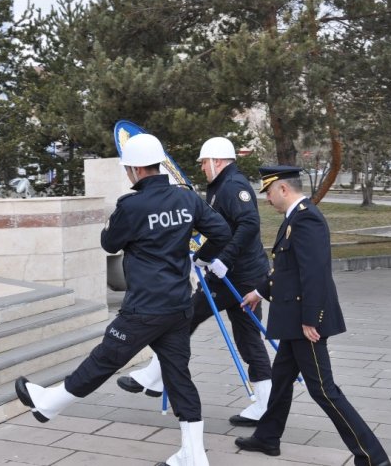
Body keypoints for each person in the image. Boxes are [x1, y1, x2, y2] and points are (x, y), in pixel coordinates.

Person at [15, 133, 231, 466]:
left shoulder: (131, 205)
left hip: (145, 307)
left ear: (134, 170)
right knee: (178, 376)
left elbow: (110, 244)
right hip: (177, 305)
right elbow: (222, 232)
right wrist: (200, 257)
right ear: (157, 164)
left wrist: (108, 229)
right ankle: (194, 453)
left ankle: (49, 404)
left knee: (104, 358)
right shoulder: (187, 199)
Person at [235, 165, 391, 466]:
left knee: (324, 390)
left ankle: (373, 457)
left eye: (268, 191)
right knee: (281, 382)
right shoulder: (294, 218)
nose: (266, 198)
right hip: (293, 320)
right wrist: (259, 291)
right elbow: (287, 270)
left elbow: (315, 273)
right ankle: (267, 437)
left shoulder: (307, 219)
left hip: (305, 323)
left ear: (282, 188)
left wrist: (311, 319)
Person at [116, 136, 273, 426]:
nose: (201, 167)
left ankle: (155, 375)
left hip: (238, 277)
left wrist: (224, 259)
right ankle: (266, 404)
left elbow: (248, 224)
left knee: (185, 319)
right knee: (245, 338)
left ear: (218, 161)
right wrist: (206, 255)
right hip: (233, 275)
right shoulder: (222, 186)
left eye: (204, 162)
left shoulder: (234, 187)